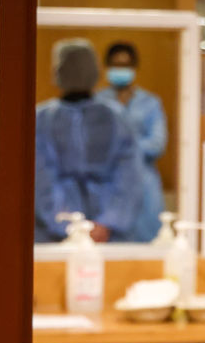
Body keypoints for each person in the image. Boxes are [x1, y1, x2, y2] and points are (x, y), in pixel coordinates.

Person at [34, 39, 144, 243]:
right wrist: (68, 224)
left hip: (110, 233)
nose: (77, 73)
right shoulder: (41, 120)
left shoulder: (116, 117)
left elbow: (129, 176)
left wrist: (109, 222)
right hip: (54, 233)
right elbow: (40, 179)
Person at [97, 41, 168, 242]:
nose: (121, 69)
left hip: (144, 184)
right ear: (107, 67)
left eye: (125, 65)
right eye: (116, 65)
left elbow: (157, 144)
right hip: (107, 183)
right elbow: (93, 145)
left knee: (147, 242)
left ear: (134, 67)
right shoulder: (98, 102)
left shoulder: (150, 103)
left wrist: (121, 147)